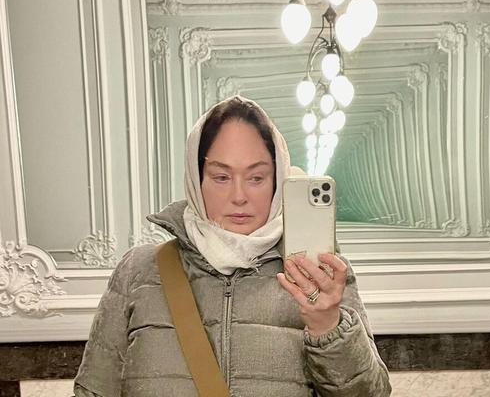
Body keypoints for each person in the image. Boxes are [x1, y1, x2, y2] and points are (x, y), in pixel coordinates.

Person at [74, 95, 392, 396]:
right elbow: (94, 390)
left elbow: (371, 393)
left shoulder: (319, 273)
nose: (239, 196)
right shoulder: (139, 271)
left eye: (256, 178)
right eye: (221, 177)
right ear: (196, 180)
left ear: (278, 181)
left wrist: (329, 327)